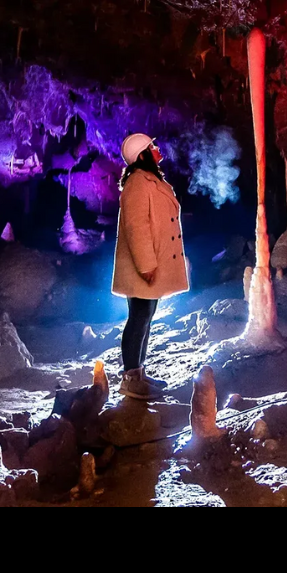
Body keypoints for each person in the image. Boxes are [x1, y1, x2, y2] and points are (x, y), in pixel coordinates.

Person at [111, 133, 189, 400]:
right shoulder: (137, 183)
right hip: (144, 266)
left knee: (145, 318)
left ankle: (139, 373)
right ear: (142, 154)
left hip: (152, 263)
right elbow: (136, 227)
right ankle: (131, 379)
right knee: (139, 319)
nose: (157, 149)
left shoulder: (150, 180)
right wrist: (146, 265)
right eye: (152, 147)